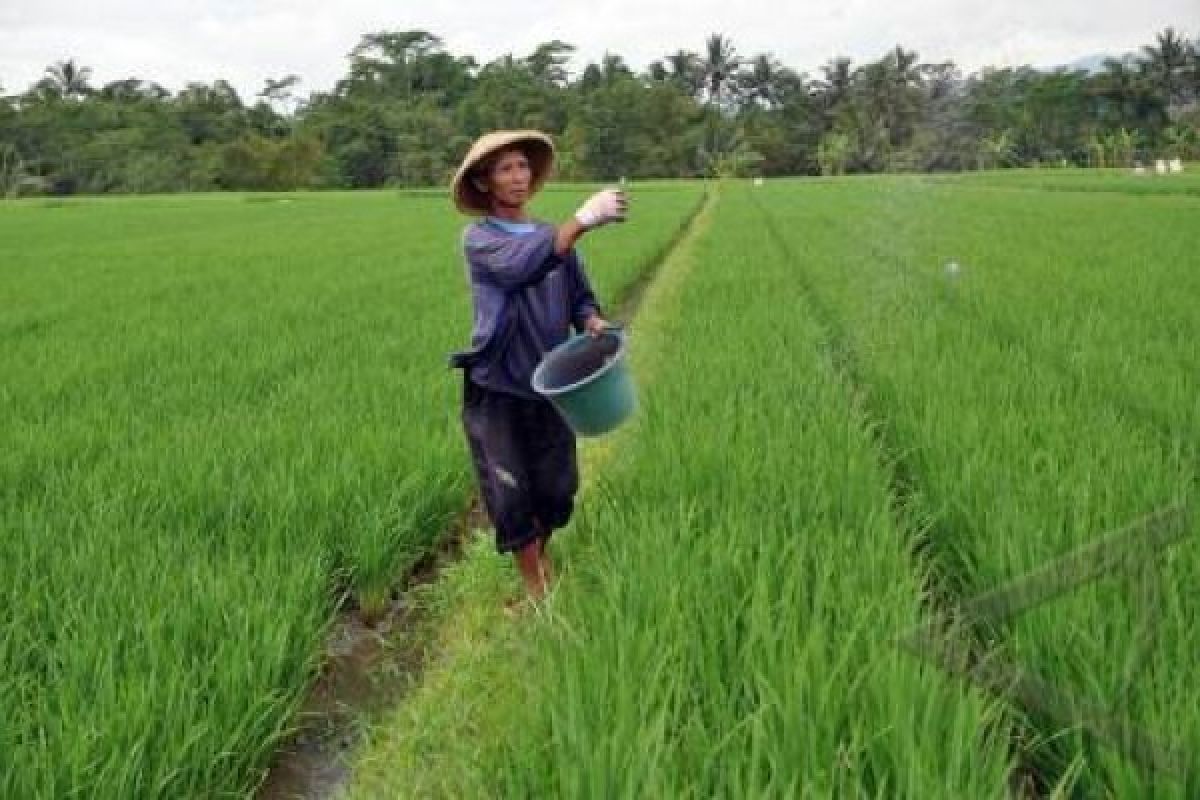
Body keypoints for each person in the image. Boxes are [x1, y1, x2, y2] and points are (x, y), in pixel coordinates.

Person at [448, 130, 628, 603]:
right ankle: (536, 589)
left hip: (552, 386)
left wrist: (590, 319)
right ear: (485, 182)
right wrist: (584, 220)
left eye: (522, 167)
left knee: (556, 491)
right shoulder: (480, 240)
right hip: (500, 386)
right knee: (510, 495)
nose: (517, 177)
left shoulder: (554, 239)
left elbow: (578, 296)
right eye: (504, 169)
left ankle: (539, 555)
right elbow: (521, 267)